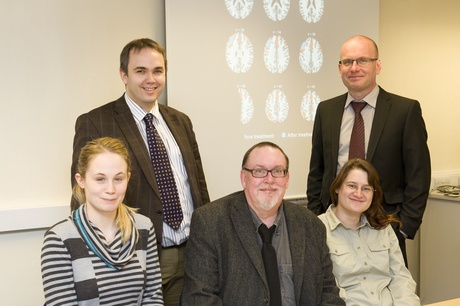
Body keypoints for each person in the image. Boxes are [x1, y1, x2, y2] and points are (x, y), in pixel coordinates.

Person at [71, 38, 210, 306]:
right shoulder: (96, 121)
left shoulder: (180, 121)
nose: (151, 79)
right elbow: (82, 195)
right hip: (132, 256)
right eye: (140, 71)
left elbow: (198, 186)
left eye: (158, 71)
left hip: (192, 254)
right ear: (123, 75)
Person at [307, 35, 431, 265]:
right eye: (347, 62)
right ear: (339, 68)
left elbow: (419, 176)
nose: (354, 68)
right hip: (333, 228)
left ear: (378, 65)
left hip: (385, 227)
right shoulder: (326, 110)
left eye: (363, 60)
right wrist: (317, 218)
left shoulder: (405, 111)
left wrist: (403, 228)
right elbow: (317, 171)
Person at [182, 141, 345, 306]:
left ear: (287, 179)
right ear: (243, 178)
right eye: (259, 171)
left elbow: (329, 293)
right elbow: (199, 298)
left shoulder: (311, 224)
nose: (269, 179)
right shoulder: (209, 222)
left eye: (277, 171)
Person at [41, 137, 163, 305]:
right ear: (81, 180)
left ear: (128, 178)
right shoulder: (60, 238)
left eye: (118, 179)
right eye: (100, 179)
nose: (111, 190)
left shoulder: (143, 227)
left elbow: (153, 298)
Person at [318, 158, 420, 305]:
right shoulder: (318, 229)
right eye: (352, 186)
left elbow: (401, 279)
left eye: (366, 188)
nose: (359, 194)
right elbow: (324, 291)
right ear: (337, 187)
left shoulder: (383, 227)